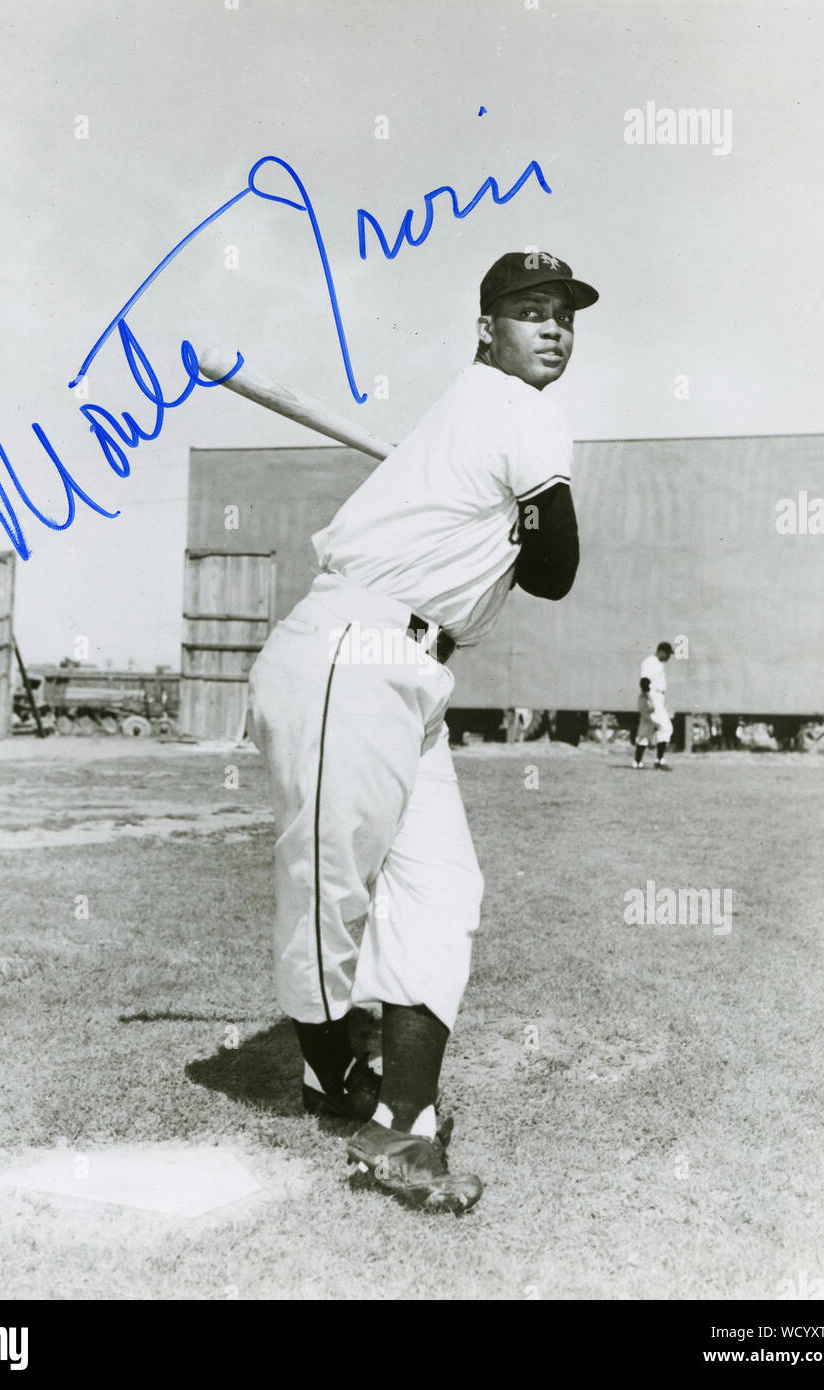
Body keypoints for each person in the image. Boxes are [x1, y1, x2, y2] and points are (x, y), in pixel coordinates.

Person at [248, 251, 598, 1212]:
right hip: (350, 645)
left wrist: (504, 517)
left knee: (442, 887)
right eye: (529, 311)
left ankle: (400, 1121)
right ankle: (327, 1067)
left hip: (412, 665)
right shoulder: (519, 410)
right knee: (331, 886)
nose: (552, 328)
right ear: (486, 328)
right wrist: (528, 520)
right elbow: (557, 569)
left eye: (563, 314)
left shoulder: (469, 418)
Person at [640, 641, 674, 769]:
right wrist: (650, 701)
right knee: (666, 728)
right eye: (667, 654)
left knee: (644, 729)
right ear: (661, 652)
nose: (668, 658)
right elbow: (644, 682)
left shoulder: (656, 663)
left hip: (655, 696)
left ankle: (637, 762)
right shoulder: (651, 662)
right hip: (652, 696)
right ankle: (660, 761)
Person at [631, 676, 660, 768]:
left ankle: (638, 761)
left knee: (642, 740)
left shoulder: (642, 695)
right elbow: (651, 707)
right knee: (643, 740)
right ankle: (638, 761)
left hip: (645, 719)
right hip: (648, 719)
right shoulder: (647, 695)